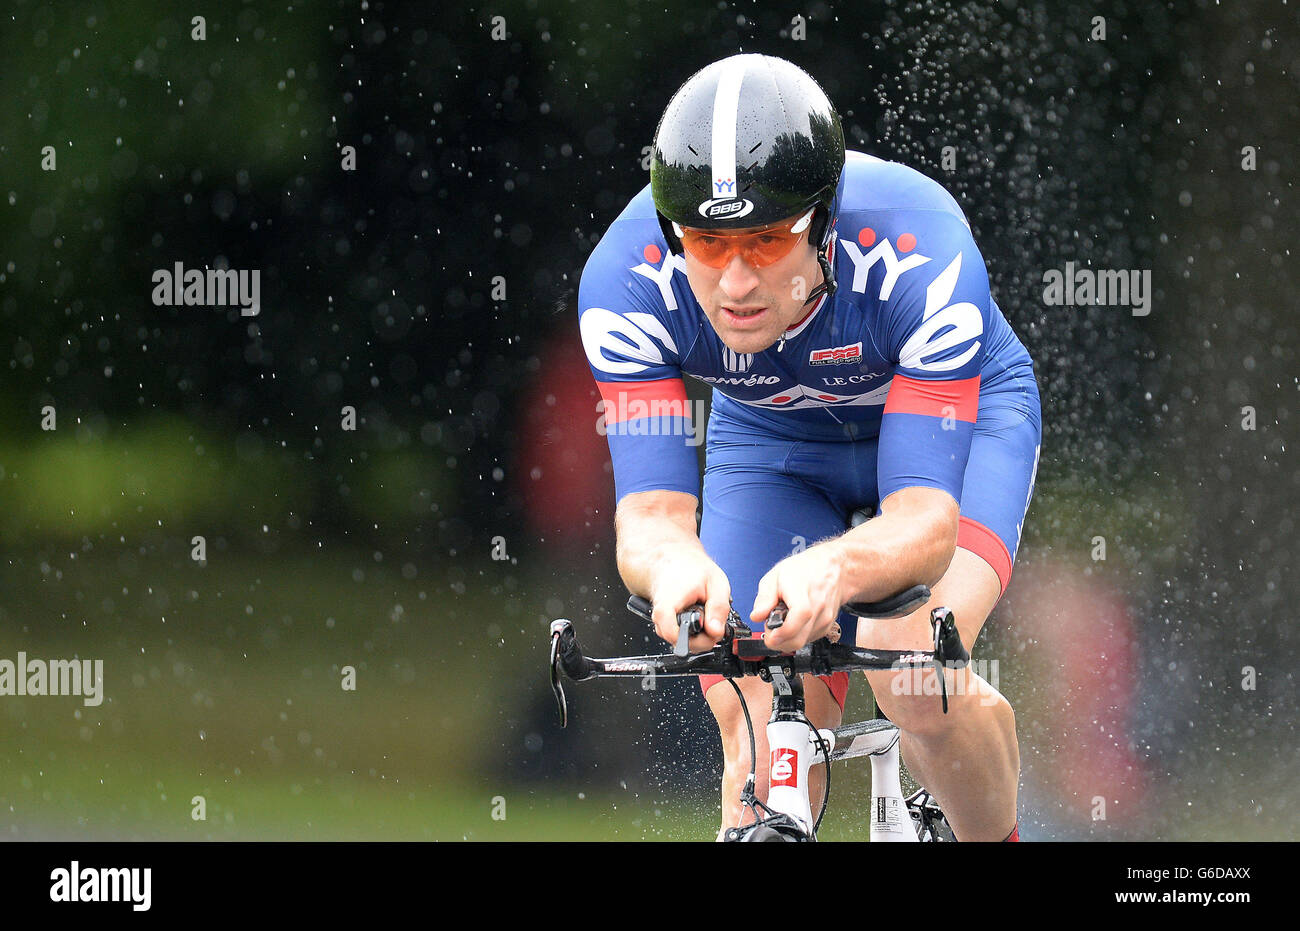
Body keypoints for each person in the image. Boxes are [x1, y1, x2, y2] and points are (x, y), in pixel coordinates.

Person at [577, 52, 1040, 842]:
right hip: (773, 442)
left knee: (912, 674)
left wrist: (836, 565)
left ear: (824, 221)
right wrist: (673, 566)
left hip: (954, 427)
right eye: (707, 243)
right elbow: (651, 514)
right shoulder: (626, 284)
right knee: (755, 705)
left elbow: (925, 521)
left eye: (763, 241)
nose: (734, 283)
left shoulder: (920, 243)